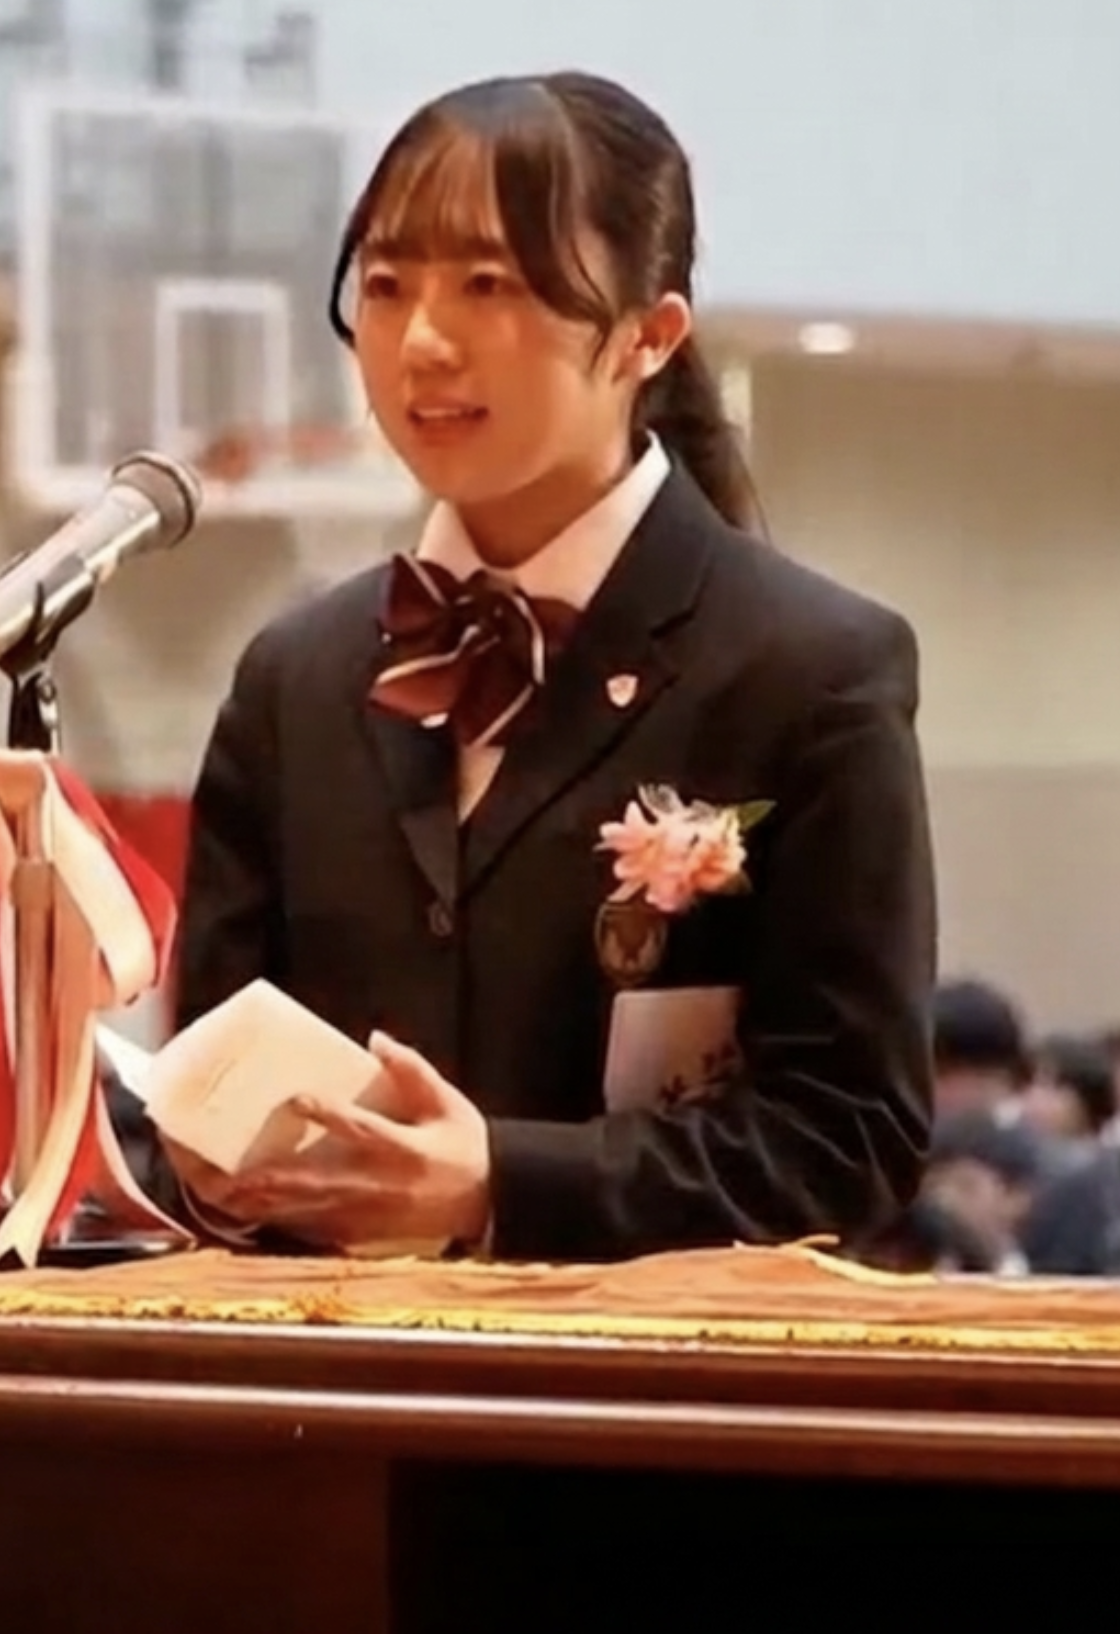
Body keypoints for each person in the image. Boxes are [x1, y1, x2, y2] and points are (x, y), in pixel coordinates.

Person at [162, 71, 934, 1264]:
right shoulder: (293, 679)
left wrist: (499, 1183)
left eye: (490, 284)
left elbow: (851, 1131)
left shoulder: (811, 671)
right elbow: (204, 1080)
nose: (423, 340)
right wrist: (208, 1166)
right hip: (330, 1362)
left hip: (644, 1376)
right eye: (386, 285)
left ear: (647, 334)